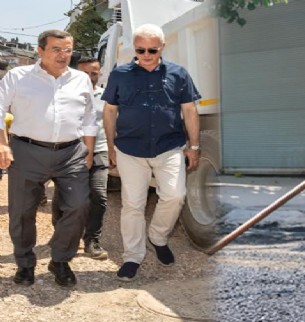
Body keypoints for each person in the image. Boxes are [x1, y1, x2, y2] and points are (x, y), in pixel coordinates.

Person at [102, 24, 201, 281]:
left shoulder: (179, 74)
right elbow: (110, 111)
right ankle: (132, 256)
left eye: (152, 50)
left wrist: (195, 146)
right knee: (133, 204)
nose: (146, 54)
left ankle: (157, 237)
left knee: (175, 195)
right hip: (129, 149)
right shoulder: (120, 74)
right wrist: (110, 147)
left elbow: (189, 111)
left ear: (162, 47)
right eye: (140, 50)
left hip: (168, 147)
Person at [0, 29, 97, 287]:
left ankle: (60, 260)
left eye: (67, 50)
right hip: (27, 151)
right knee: (22, 212)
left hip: (71, 153)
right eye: (56, 49)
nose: (63, 55)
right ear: (40, 51)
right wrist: (3, 144)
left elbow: (89, 117)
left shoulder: (80, 79)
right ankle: (25, 264)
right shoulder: (18, 76)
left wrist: (87, 149)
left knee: (78, 206)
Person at [52, 57, 109, 260]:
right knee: (64, 196)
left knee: (98, 196)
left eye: (94, 73)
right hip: (70, 151)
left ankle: (92, 240)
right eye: (86, 73)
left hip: (100, 149)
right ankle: (61, 233)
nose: (90, 77)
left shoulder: (107, 96)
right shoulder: (65, 94)